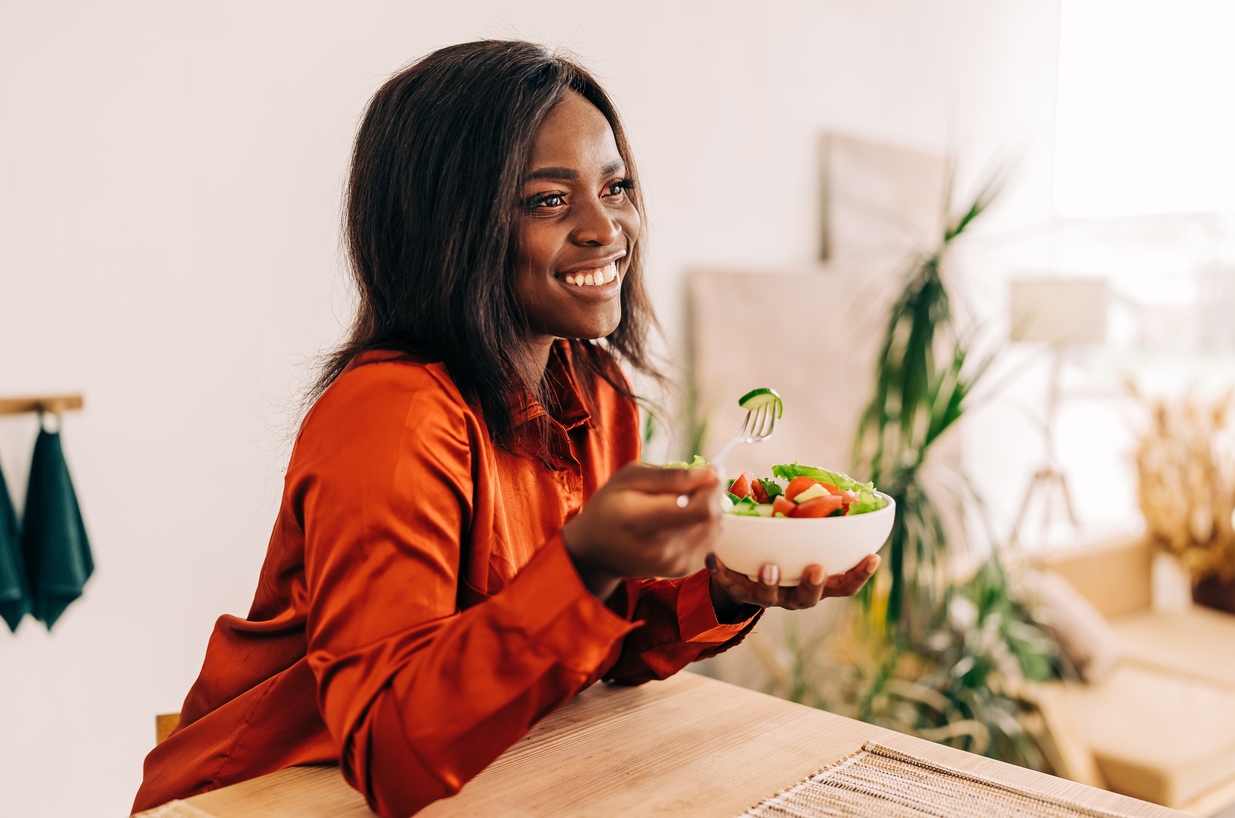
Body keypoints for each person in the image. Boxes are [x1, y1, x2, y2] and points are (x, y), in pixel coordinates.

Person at [131, 40, 880, 818]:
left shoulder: (594, 391)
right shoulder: (391, 416)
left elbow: (600, 644)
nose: (607, 228)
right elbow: (388, 751)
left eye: (615, 186)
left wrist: (719, 589)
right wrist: (584, 561)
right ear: (450, 226)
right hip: (256, 798)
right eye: (549, 200)